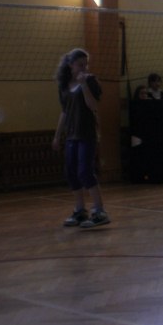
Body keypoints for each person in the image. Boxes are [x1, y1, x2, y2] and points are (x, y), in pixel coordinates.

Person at [52, 48, 110, 228]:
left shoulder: (90, 81)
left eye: (86, 65)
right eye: (80, 65)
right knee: (71, 172)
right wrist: (57, 136)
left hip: (86, 133)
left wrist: (84, 85)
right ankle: (79, 211)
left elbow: (93, 106)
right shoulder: (64, 85)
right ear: (70, 65)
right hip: (71, 134)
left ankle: (99, 211)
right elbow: (64, 112)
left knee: (85, 171)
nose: (84, 68)